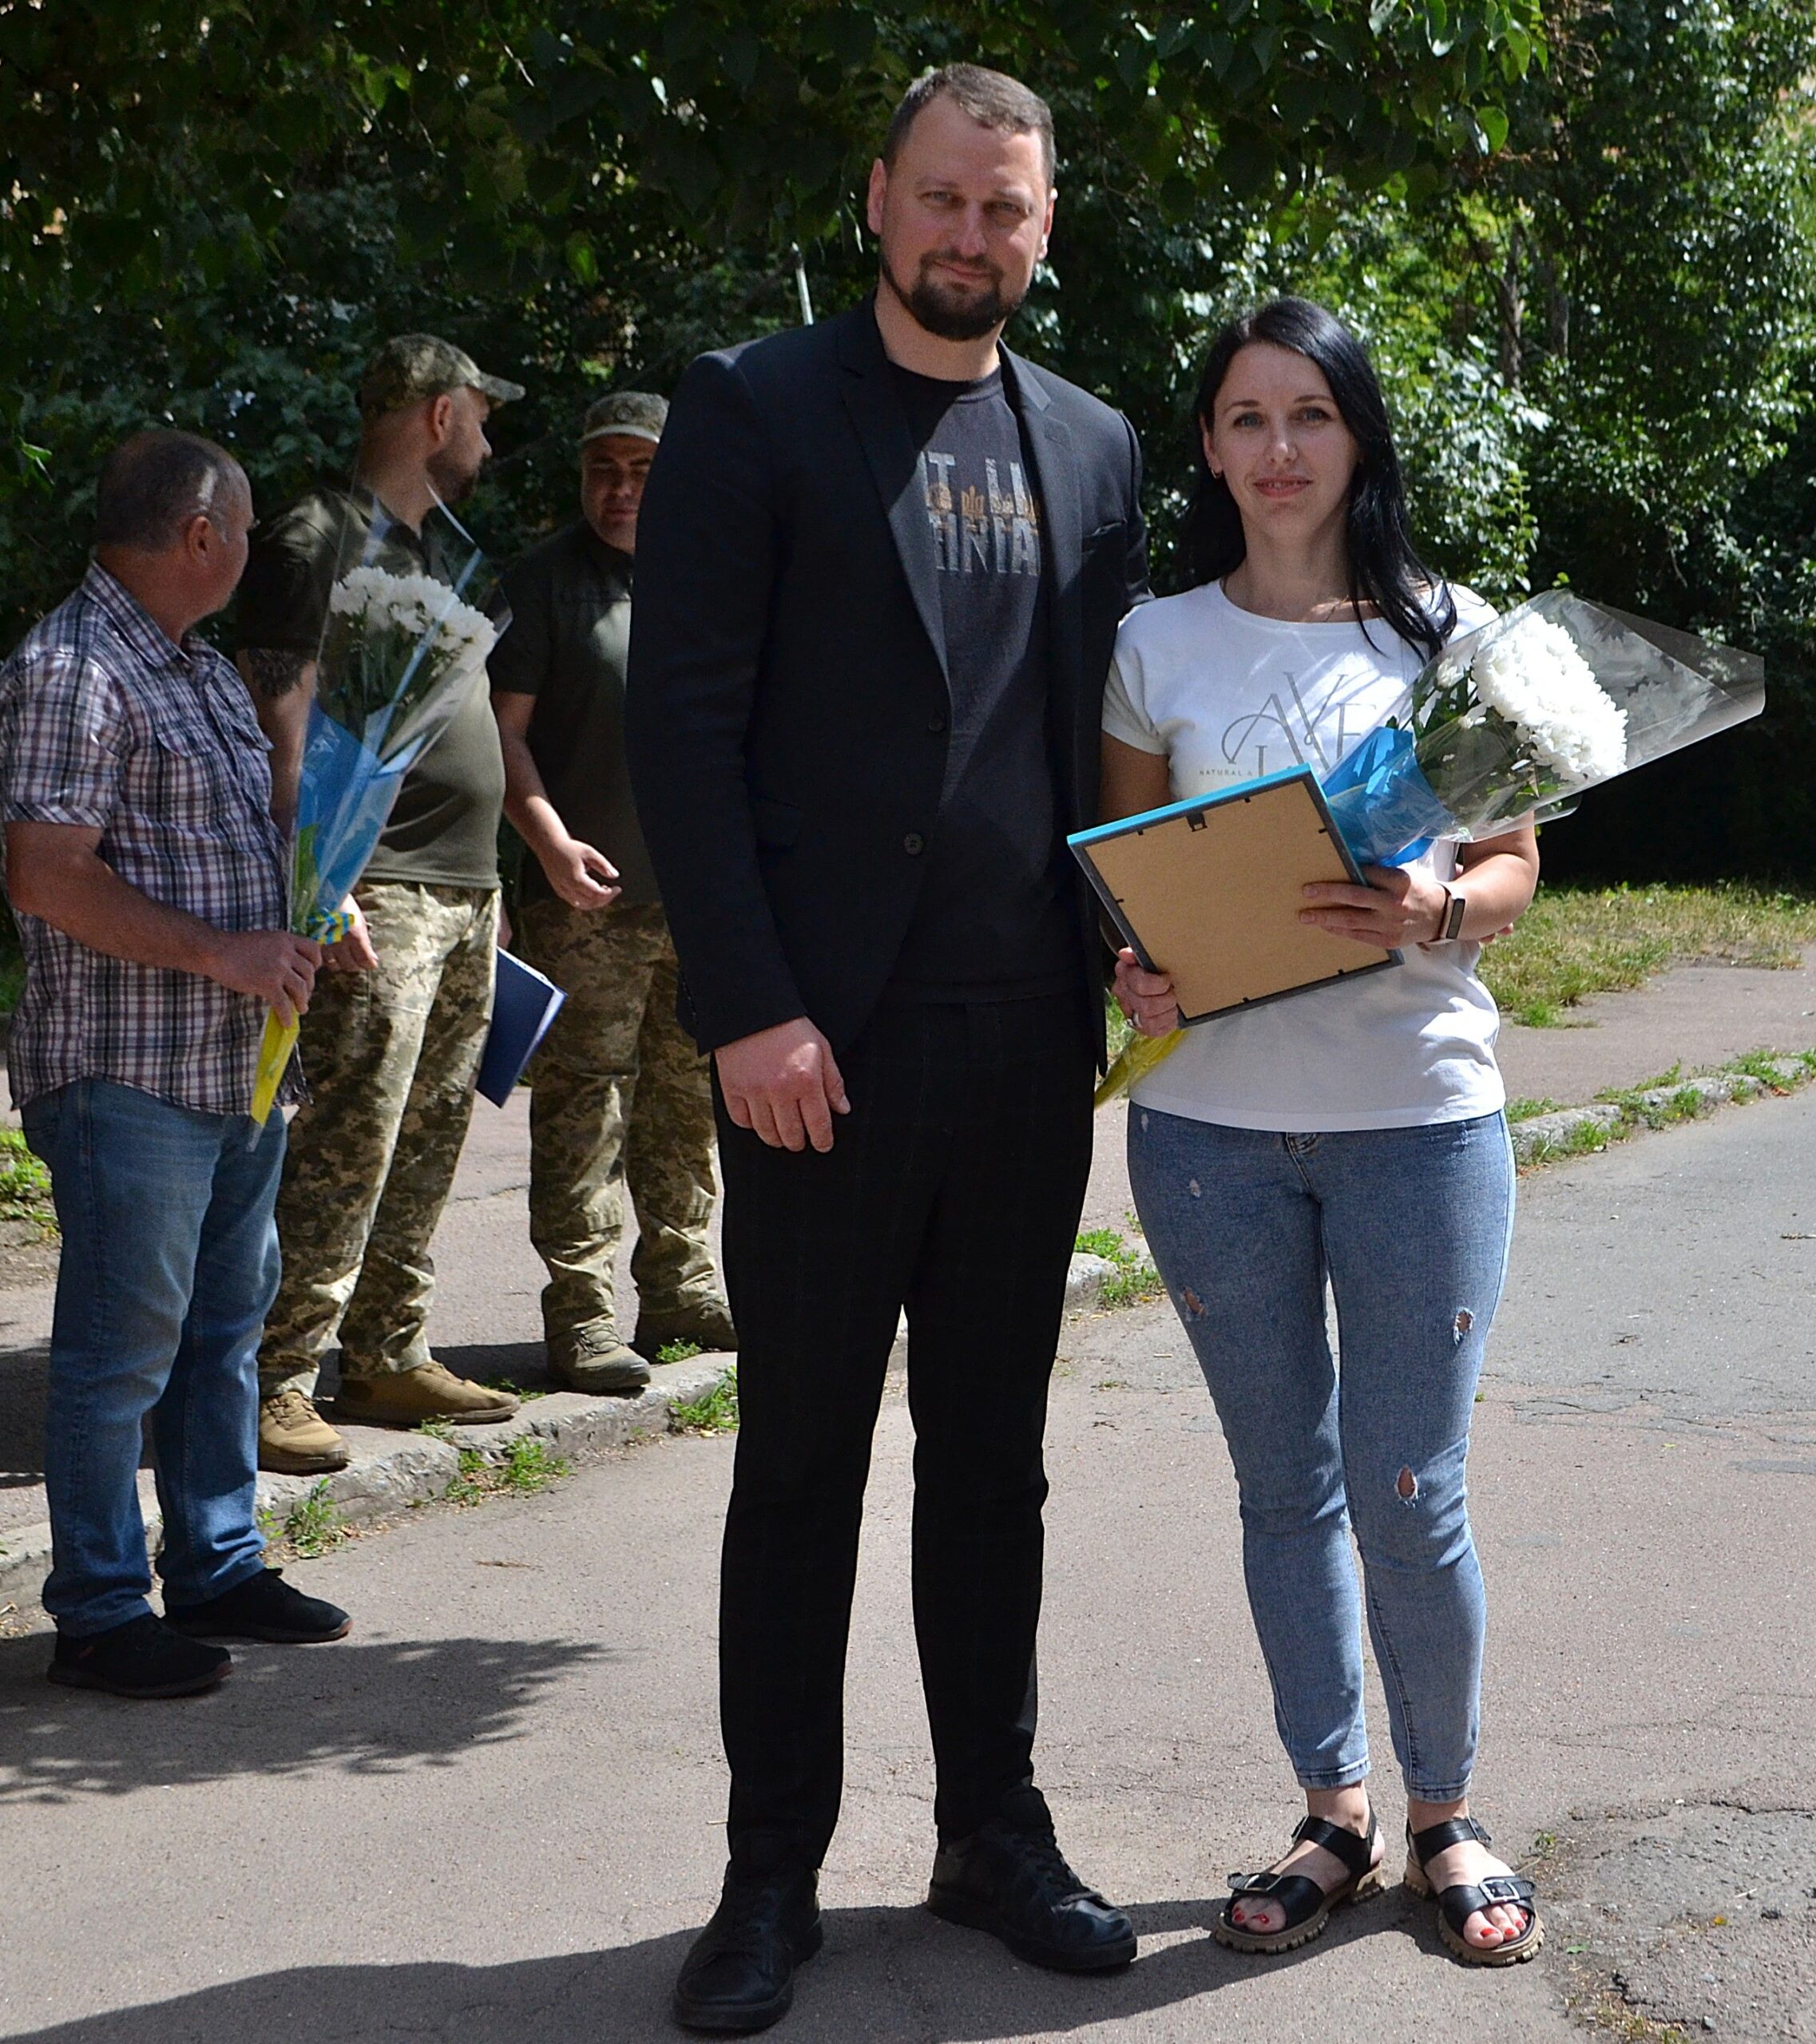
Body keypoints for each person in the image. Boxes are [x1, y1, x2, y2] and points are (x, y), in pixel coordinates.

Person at [628, 63, 1152, 2037]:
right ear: (876, 198)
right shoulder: (754, 409)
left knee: (992, 1463)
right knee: (798, 1465)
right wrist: (748, 1003)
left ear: (1043, 227)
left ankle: (987, 1832)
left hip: (1024, 1042)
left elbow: (1102, 748)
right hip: (817, 1054)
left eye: (1001, 208)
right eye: (940, 197)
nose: (967, 235)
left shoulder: (1089, 443)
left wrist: (1150, 933)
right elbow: (683, 730)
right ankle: (769, 1871)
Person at [1103, 298, 1545, 1967]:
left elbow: (1511, 864)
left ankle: (1446, 1814)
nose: (1278, 447)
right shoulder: (1153, 641)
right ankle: (1332, 1813)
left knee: (1408, 1486)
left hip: (1415, 1119)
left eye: (1308, 414)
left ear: (1356, 436)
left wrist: (1437, 905)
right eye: (1245, 417)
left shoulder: (1450, 633)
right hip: (1205, 1130)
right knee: (1280, 1486)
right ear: (1209, 450)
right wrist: (1132, 967)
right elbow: (1124, 881)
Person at [0, 430, 351, 1698]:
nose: (252, 553)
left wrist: (312, 899)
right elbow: (45, 876)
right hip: (128, 1075)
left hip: (234, 1066)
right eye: (246, 531)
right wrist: (225, 952)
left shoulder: (192, 667)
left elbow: (231, 836)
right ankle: (100, 1612)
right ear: (201, 535)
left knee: (224, 1330)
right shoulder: (71, 668)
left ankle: (216, 1563)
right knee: (122, 1350)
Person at [232, 335, 522, 1478]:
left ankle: (387, 1352)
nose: (489, 442)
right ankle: (275, 1373)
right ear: (441, 415)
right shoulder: (316, 535)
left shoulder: (436, 549)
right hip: (375, 883)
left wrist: (492, 879)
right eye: (482, 417)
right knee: (348, 1134)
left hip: (463, 884)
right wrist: (323, 880)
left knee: (434, 1123)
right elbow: (276, 720)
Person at [490, 391, 734, 1392]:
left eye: (641, 469)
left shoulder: (716, 575)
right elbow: (499, 733)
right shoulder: (545, 582)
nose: (620, 488)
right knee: (584, 1107)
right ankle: (582, 1315)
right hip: (583, 904)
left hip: (697, 898)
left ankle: (680, 1285)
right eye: (603, 469)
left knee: (687, 1099)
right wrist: (547, 845)